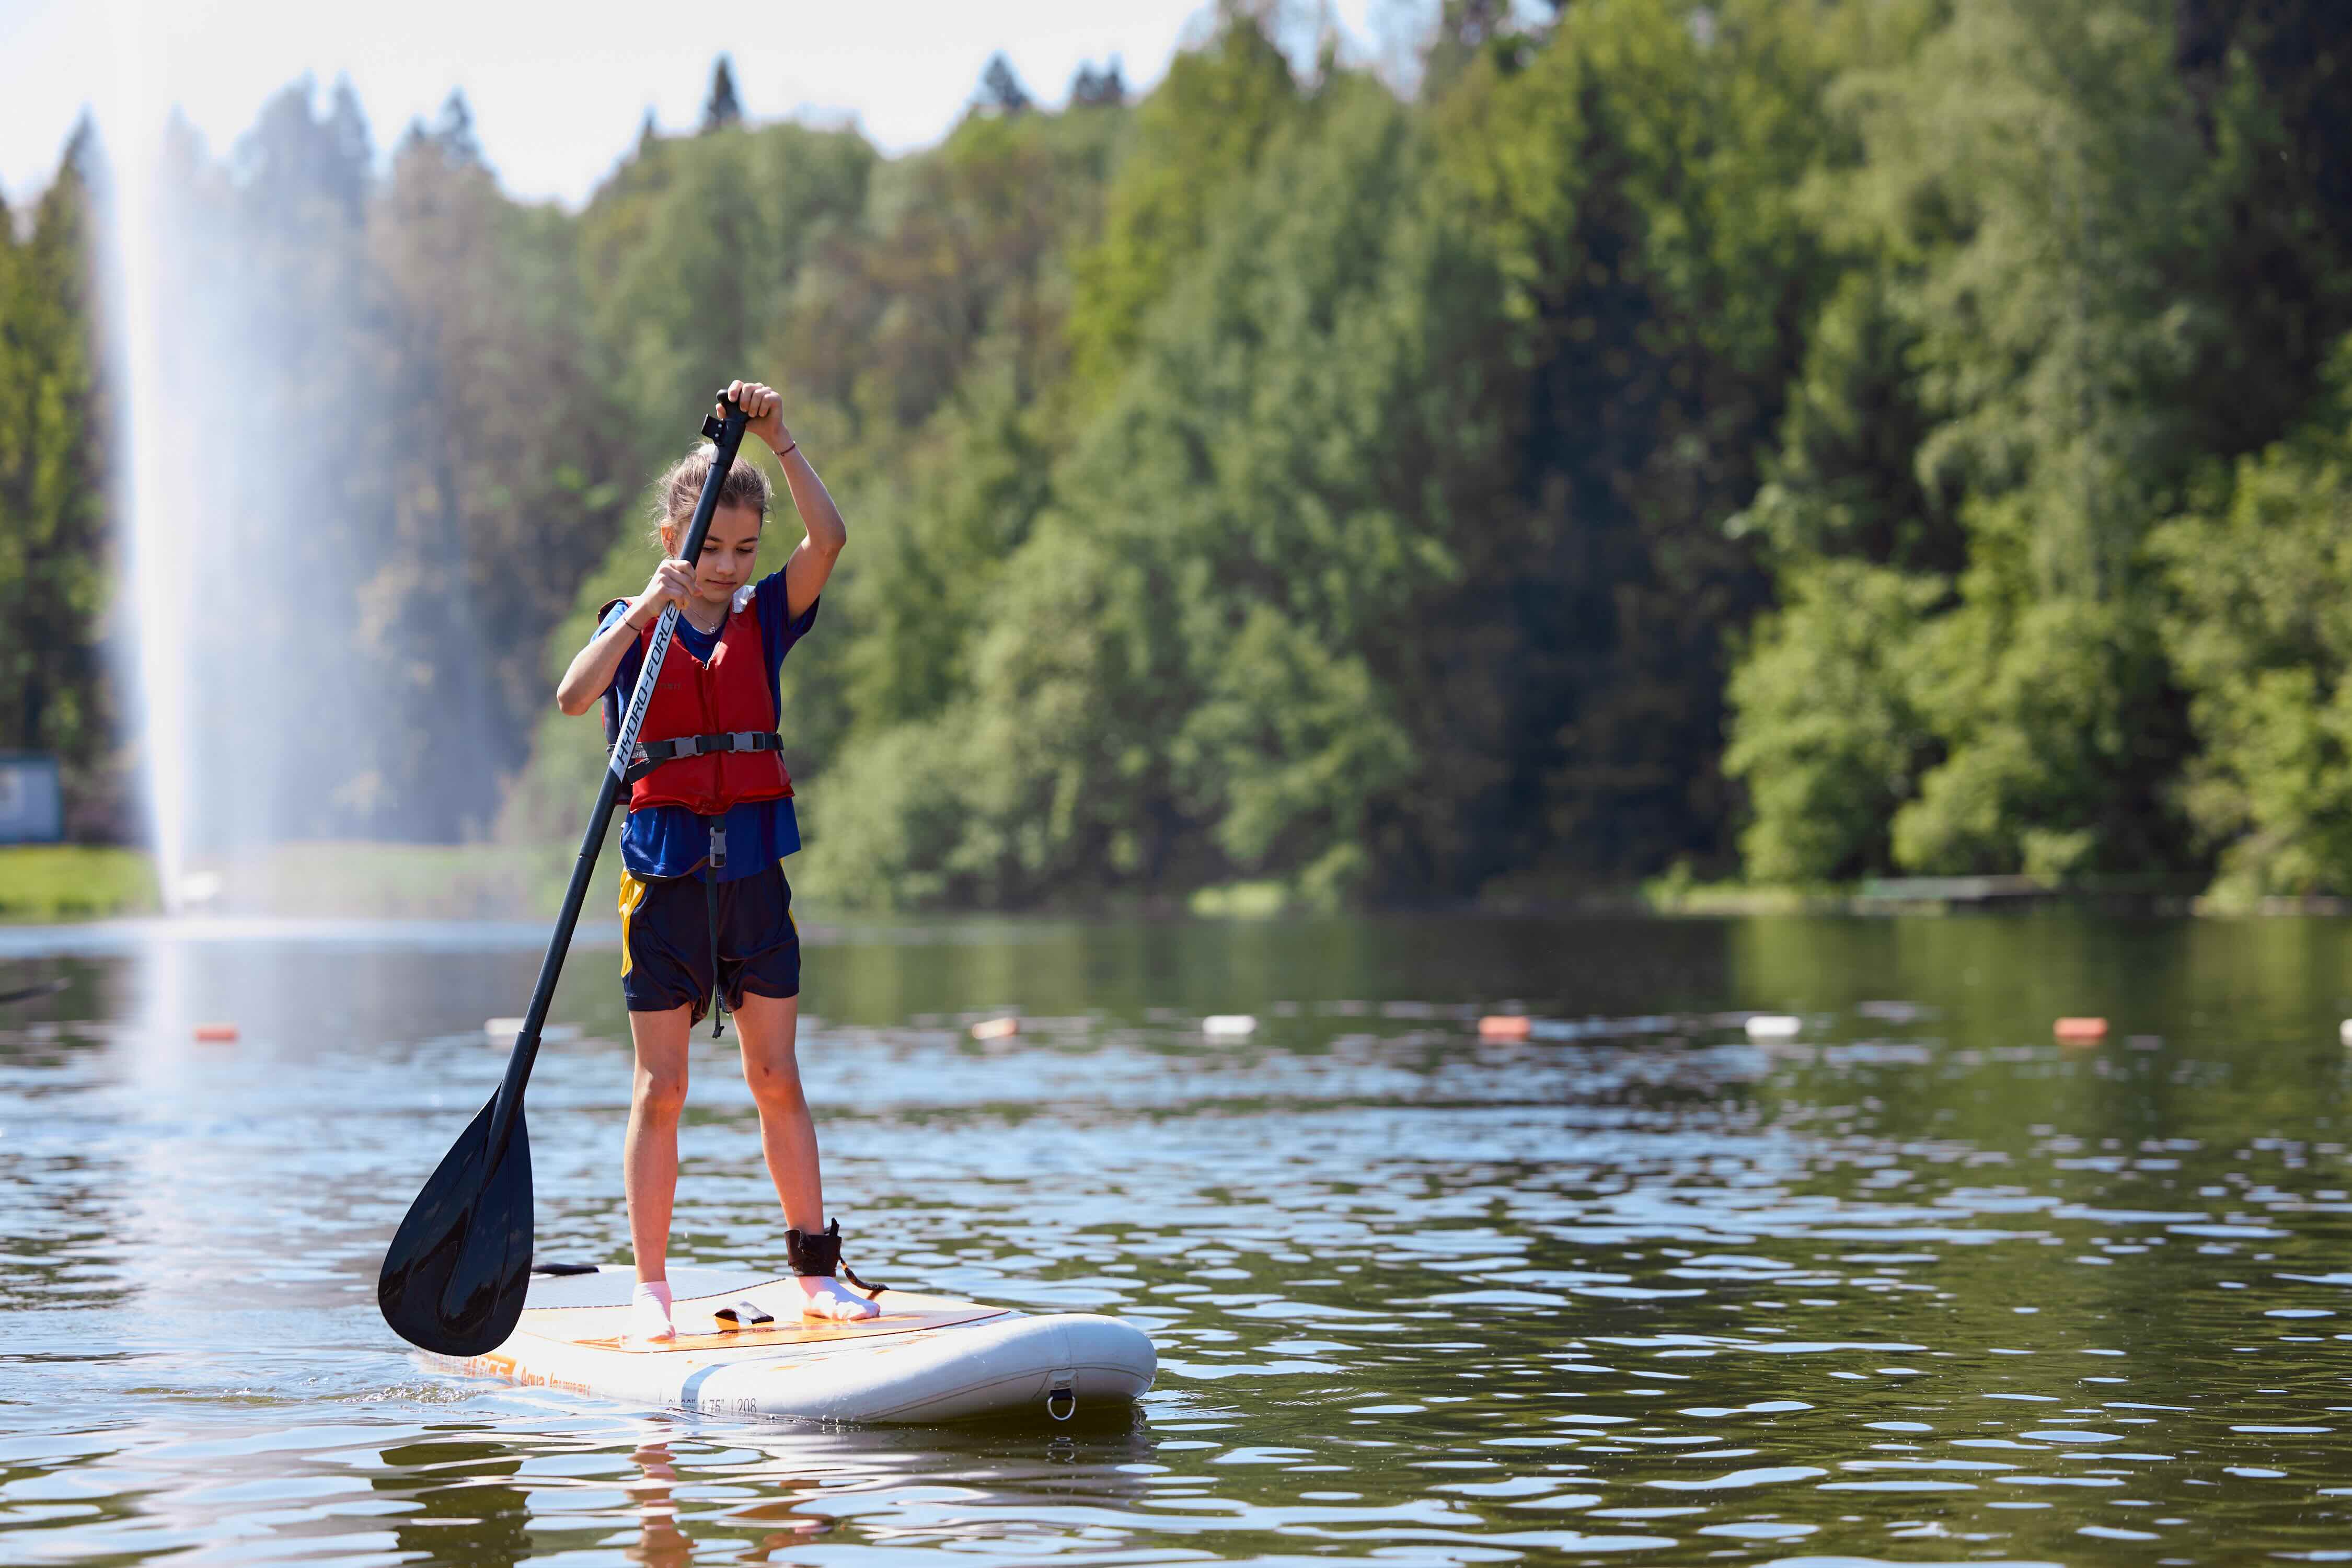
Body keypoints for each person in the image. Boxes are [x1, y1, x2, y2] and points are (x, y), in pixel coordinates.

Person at [555, 379, 873, 1339]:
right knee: (664, 1086)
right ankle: (651, 1289)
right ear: (672, 542)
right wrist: (639, 611)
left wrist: (782, 442)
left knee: (777, 1076)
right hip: (662, 881)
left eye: (742, 551)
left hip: (754, 881)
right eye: (709, 551)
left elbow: (829, 543)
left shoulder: (767, 616)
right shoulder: (638, 624)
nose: (728, 569)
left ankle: (815, 1269)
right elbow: (575, 698)